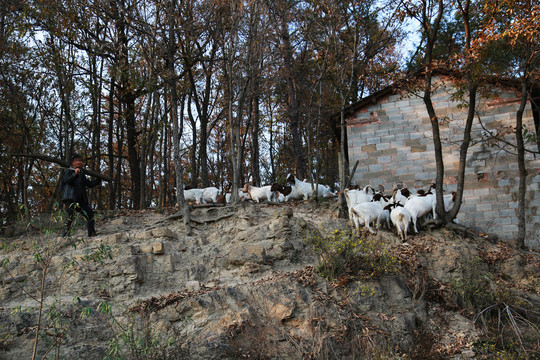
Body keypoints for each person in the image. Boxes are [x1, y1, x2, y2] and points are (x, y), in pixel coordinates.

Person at [61, 154, 101, 237]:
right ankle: (65, 236)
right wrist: (74, 174)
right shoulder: (69, 171)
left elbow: (89, 184)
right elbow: (66, 181)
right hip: (70, 198)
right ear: (73, 163)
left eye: (80, 161)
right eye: (77, 161)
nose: (79, 162)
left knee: (89, 213)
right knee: (69, 217)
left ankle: (91, 233)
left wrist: (99, 178)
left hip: (79, 200)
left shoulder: (82, 174)